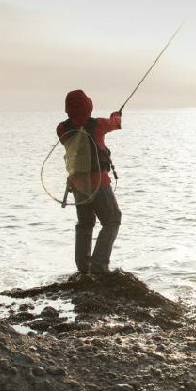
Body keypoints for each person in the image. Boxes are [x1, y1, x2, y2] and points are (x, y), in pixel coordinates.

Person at [57, 89, 122, 275]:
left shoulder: (62, 129)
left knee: (85, 223)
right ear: (88, 106)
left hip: (77, 185)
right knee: (112, 219)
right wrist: (116, 116)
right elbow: (115, 124)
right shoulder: (99, 125)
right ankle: (99, 265)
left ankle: (83, 267)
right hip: (99, 183)